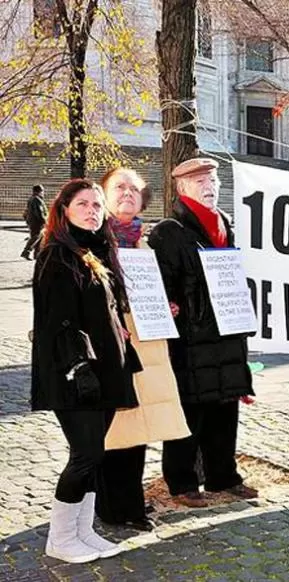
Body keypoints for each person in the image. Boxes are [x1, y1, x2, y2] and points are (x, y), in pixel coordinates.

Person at [31, 179, 141, 563]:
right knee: (85, 454)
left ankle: (82, 530)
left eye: (97, 205)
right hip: (76, 374)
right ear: (63, 210)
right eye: (83, 204)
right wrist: (79, 366)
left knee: (95, 455)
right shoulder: (57, 256)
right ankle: (60, 538)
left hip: (106, 370)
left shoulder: (95, 249)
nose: (92, 210)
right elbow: (57, 323)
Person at [148, 158, 258, 506]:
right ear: (182, 189)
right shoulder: (169, 231)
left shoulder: (226, 224)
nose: (209, 186)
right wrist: (171, 304)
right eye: (198, 181)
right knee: (189, 414)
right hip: (192, 338)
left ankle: (223, 476)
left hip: (227, 334)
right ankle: (182, 483)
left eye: (212, 179)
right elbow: (162, 283)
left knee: (225, 411)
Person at [96, 168, 191, 530]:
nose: (128, 194)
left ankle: (129, 501)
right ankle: (114, 507)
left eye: (134, 189)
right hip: (114, 348)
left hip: (146, 345)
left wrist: (165, 306)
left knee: (138, 428)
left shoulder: (141, 242)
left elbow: (146, 290)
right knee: (114, 429)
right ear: (103, 194)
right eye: (119, 187)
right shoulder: (93, 239)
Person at [22, 184, 47, 260]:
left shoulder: (32, 198)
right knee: (35, 237)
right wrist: (44, 221)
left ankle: (37, 254)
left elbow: (27, 211)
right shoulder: (36, 199)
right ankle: (26, 252)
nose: (43, 192)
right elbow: (39, 212)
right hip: (37, 222)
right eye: (42, 191)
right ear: (39, 191)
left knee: (39, 238)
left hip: (33, 221)